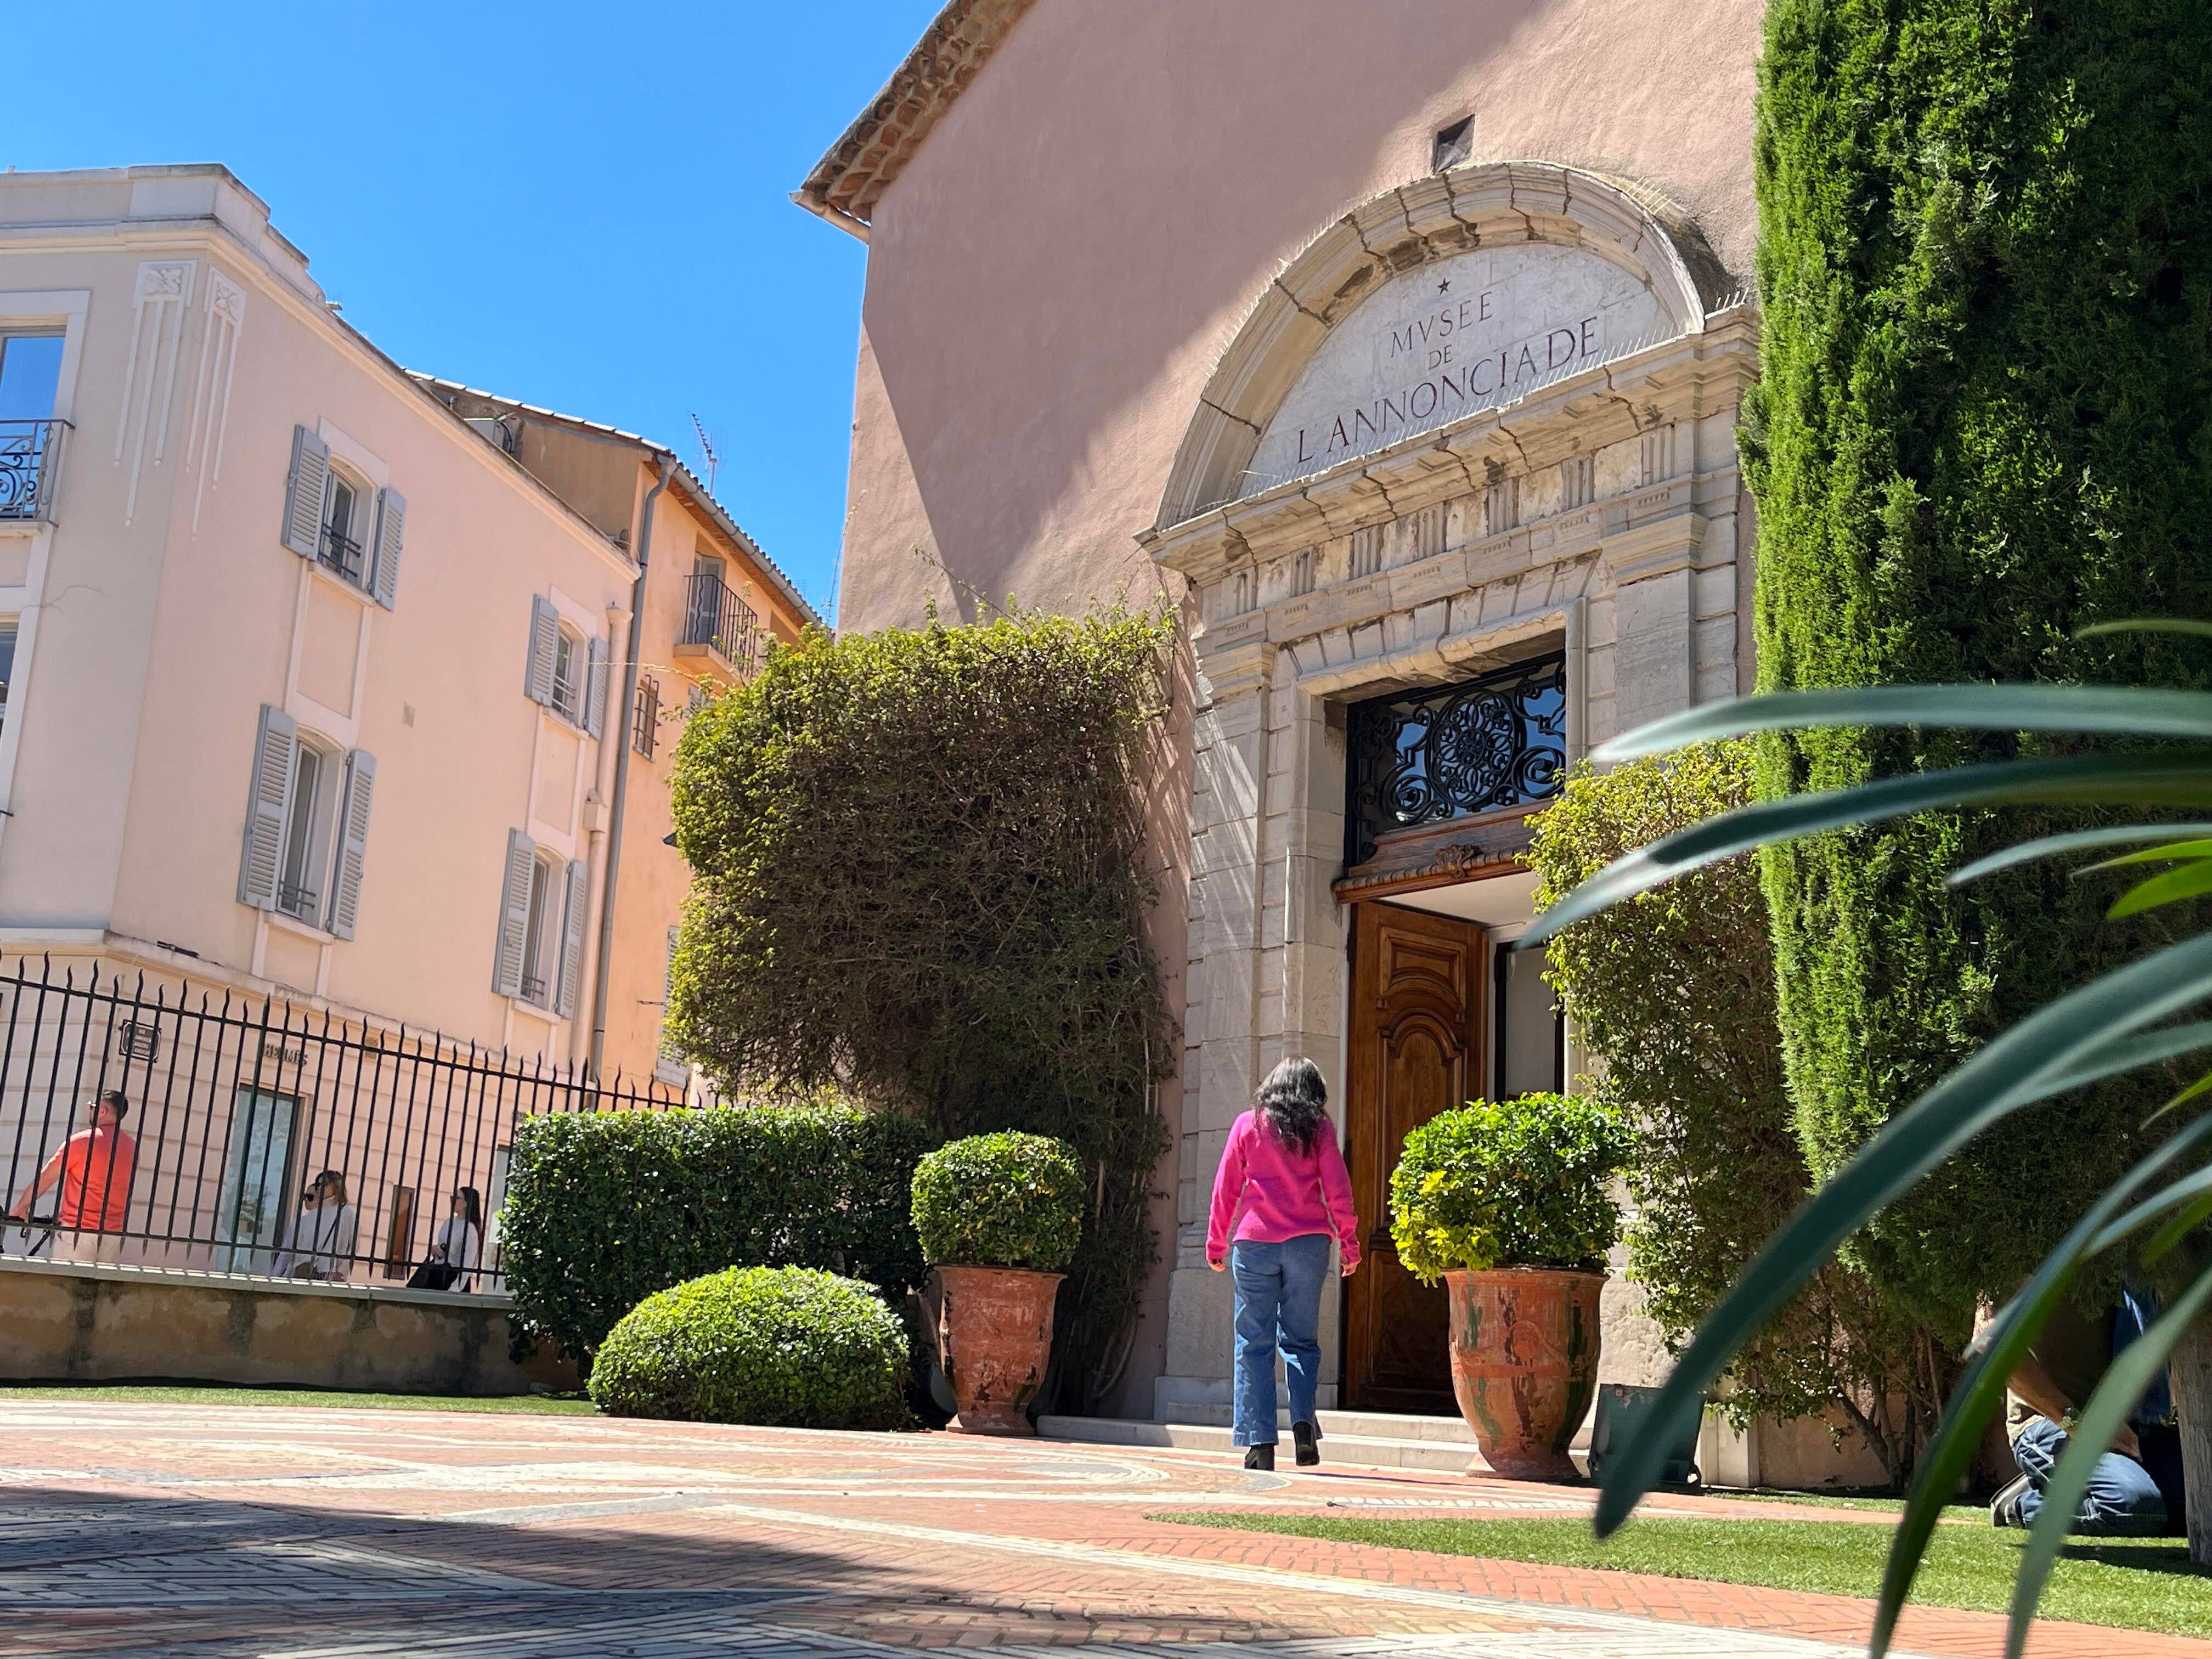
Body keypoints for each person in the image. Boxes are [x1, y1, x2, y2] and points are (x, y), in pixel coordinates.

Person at [1206, 1057, 1360, 1471]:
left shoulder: (1247, 1125)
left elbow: (1226, 1188)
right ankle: (1304, 1425)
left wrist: (1216, 1241)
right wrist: (1349, 1243)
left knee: (1253, 1343)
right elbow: (1338, 1189)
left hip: (1255, 1244)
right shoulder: (1320, 1128)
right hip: (1308, 1245)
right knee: (1301, 1342)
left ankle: (1259, 1444)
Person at [1985, 1283, 2185, 1537]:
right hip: (2054, 1424)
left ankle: (2077, 1482)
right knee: (2131, 1507)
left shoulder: (2150, 1254)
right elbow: (1990, 1343)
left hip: (2138, 1426)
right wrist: (2079, 1425)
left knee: (2193, 1508)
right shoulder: (2021, 1249)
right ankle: (2021, 1506)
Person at [5, 1089, 135, 1264]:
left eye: (92, 1106)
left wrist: (22, 1207)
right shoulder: (131, 1148)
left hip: (79, 1231)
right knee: (98, 1289)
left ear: (102, 1111)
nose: (90, 1110)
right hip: (112, 1232)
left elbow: (47, 1177)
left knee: (67, 1287)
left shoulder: (83, 1141)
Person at [273, 1171, 358, 1281]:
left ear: (336, 1186)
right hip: (302, 1272)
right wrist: (274, 1277)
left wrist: (342, 1272)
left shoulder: (346, 1213)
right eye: (318, 1184)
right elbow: (287, 1253)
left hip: (329, 1274)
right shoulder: (309, 1217)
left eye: (325, 1184)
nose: (320, 1188)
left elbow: (354, 1246)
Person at [426, 1186, 482, 1292]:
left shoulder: (470, 1229)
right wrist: (434, 1249)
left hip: (453, 1278)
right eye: (452, 1197)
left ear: (466, 1203)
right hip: (437, 1273)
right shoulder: (448, 1222)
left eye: (456, 1197)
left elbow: (467, 1264)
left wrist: (455, 1289)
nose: (452, 1200)